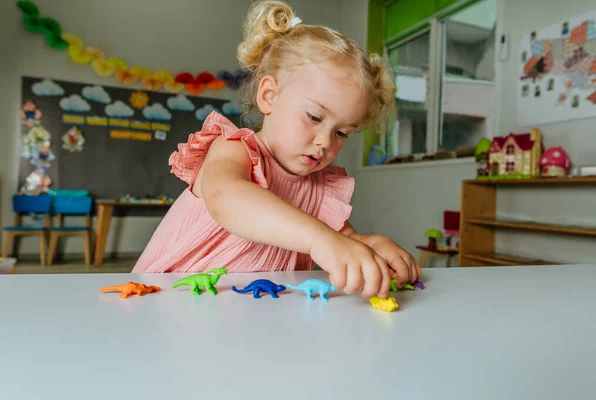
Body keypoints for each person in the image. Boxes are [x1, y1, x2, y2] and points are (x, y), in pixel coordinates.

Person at [132, 0, 420, 298]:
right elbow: (227, 198)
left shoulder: (320, 189)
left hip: (249, 324)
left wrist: (373, 247)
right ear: (269, 96)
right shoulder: (234, 150)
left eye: (341, 132)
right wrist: (318, 239)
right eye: (314, 117)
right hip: (165, 302)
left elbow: (343, 240)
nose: (325, 142)